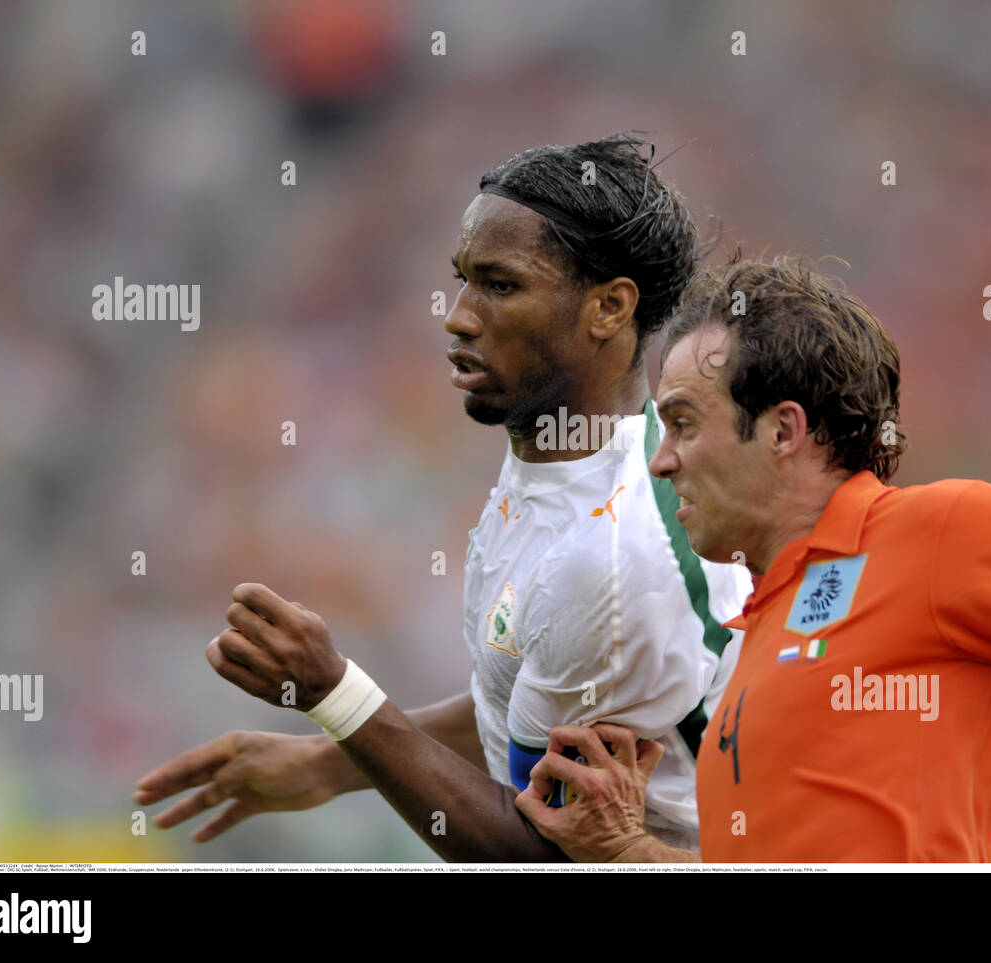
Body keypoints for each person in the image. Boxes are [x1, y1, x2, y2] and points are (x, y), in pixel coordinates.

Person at [133, 135, 750, 860]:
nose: (457, 315)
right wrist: (327, 764)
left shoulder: (607, 559)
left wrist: (338, 696)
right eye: (462, 279)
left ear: (610, 307)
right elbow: (523, 696)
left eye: (500, 285)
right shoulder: (578, 460)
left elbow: (533, 856)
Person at [513, 256, 991, 862]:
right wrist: (627, 846)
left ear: (782, 429)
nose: (661, 461)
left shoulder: (943, 531)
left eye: (681, 422)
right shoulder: (754, 629)